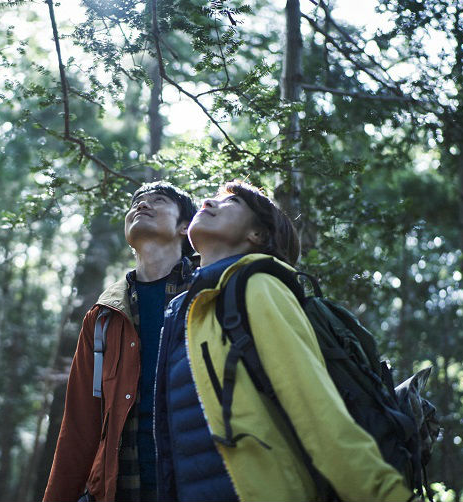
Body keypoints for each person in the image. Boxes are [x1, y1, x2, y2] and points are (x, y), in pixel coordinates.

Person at [153, 181, 414, 501]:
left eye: (231, 202)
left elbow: (316, 410)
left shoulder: (257, 286)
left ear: (258, 235)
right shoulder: (184, 309)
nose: (209, 202)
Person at [44, 182, 198, 502]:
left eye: (158, 201)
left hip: (196, 484)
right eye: (137, 202)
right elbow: (79, 426)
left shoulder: (211, 293)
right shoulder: (103, 317)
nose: (142, 204)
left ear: (185, 227)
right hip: (120, 489)